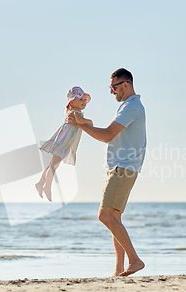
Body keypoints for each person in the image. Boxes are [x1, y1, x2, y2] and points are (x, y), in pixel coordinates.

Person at [67, 68, 146, 277]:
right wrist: (82, 122)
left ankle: (135, 260)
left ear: (125, 84)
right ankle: (119, 269)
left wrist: (80, 125)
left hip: (123, 167)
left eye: (114, 87)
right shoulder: (128, 107)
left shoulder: (131, 107)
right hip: (123, 167)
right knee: (115, 218)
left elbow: (108, 135)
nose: (112, 92)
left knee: (104, 216)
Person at [36, 86, 93, 202]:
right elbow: (81, 122)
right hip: (64, 143)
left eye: (84, 99)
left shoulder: (76, 112)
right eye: (80, 99)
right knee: (53, 166)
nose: (83, 102)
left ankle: (40, 183)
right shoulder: (76, 113)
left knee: (51, 165)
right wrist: (90, 121)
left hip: (63, 142)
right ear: (72, 101)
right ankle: (47, 187)